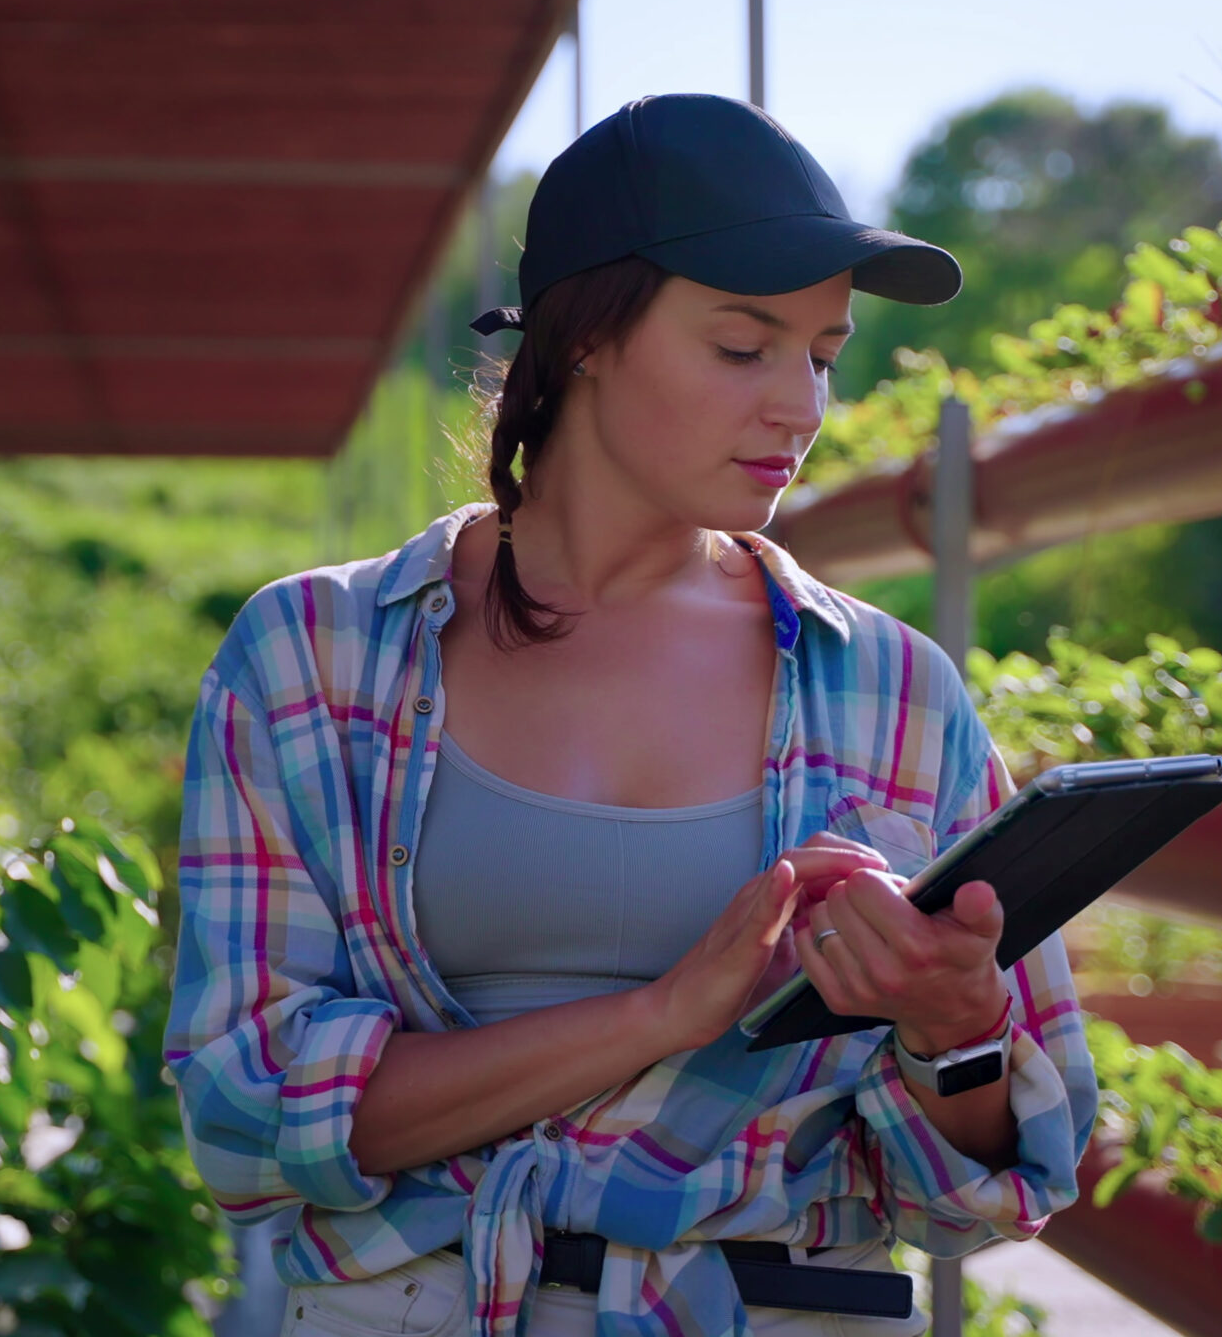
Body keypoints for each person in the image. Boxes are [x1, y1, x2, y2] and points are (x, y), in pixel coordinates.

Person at [166, 94, 1095, 1337]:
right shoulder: (312, 660)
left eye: (820, 355)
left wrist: (956, 1028)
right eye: (741, 348)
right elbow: (245, 1116)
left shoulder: (893, 691)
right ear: (588, 335)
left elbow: (994, 1192)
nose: (801, 409)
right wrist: (667, 1014)